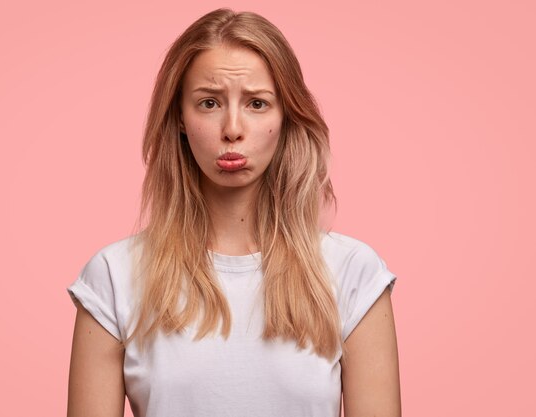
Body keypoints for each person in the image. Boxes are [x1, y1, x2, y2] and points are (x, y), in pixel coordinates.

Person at [66, 8, 400, 417]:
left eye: (257, 104)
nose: (232, 128)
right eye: (209, 102)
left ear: (286, 117)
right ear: (180, 120)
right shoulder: (113, 278)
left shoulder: (353, 274)